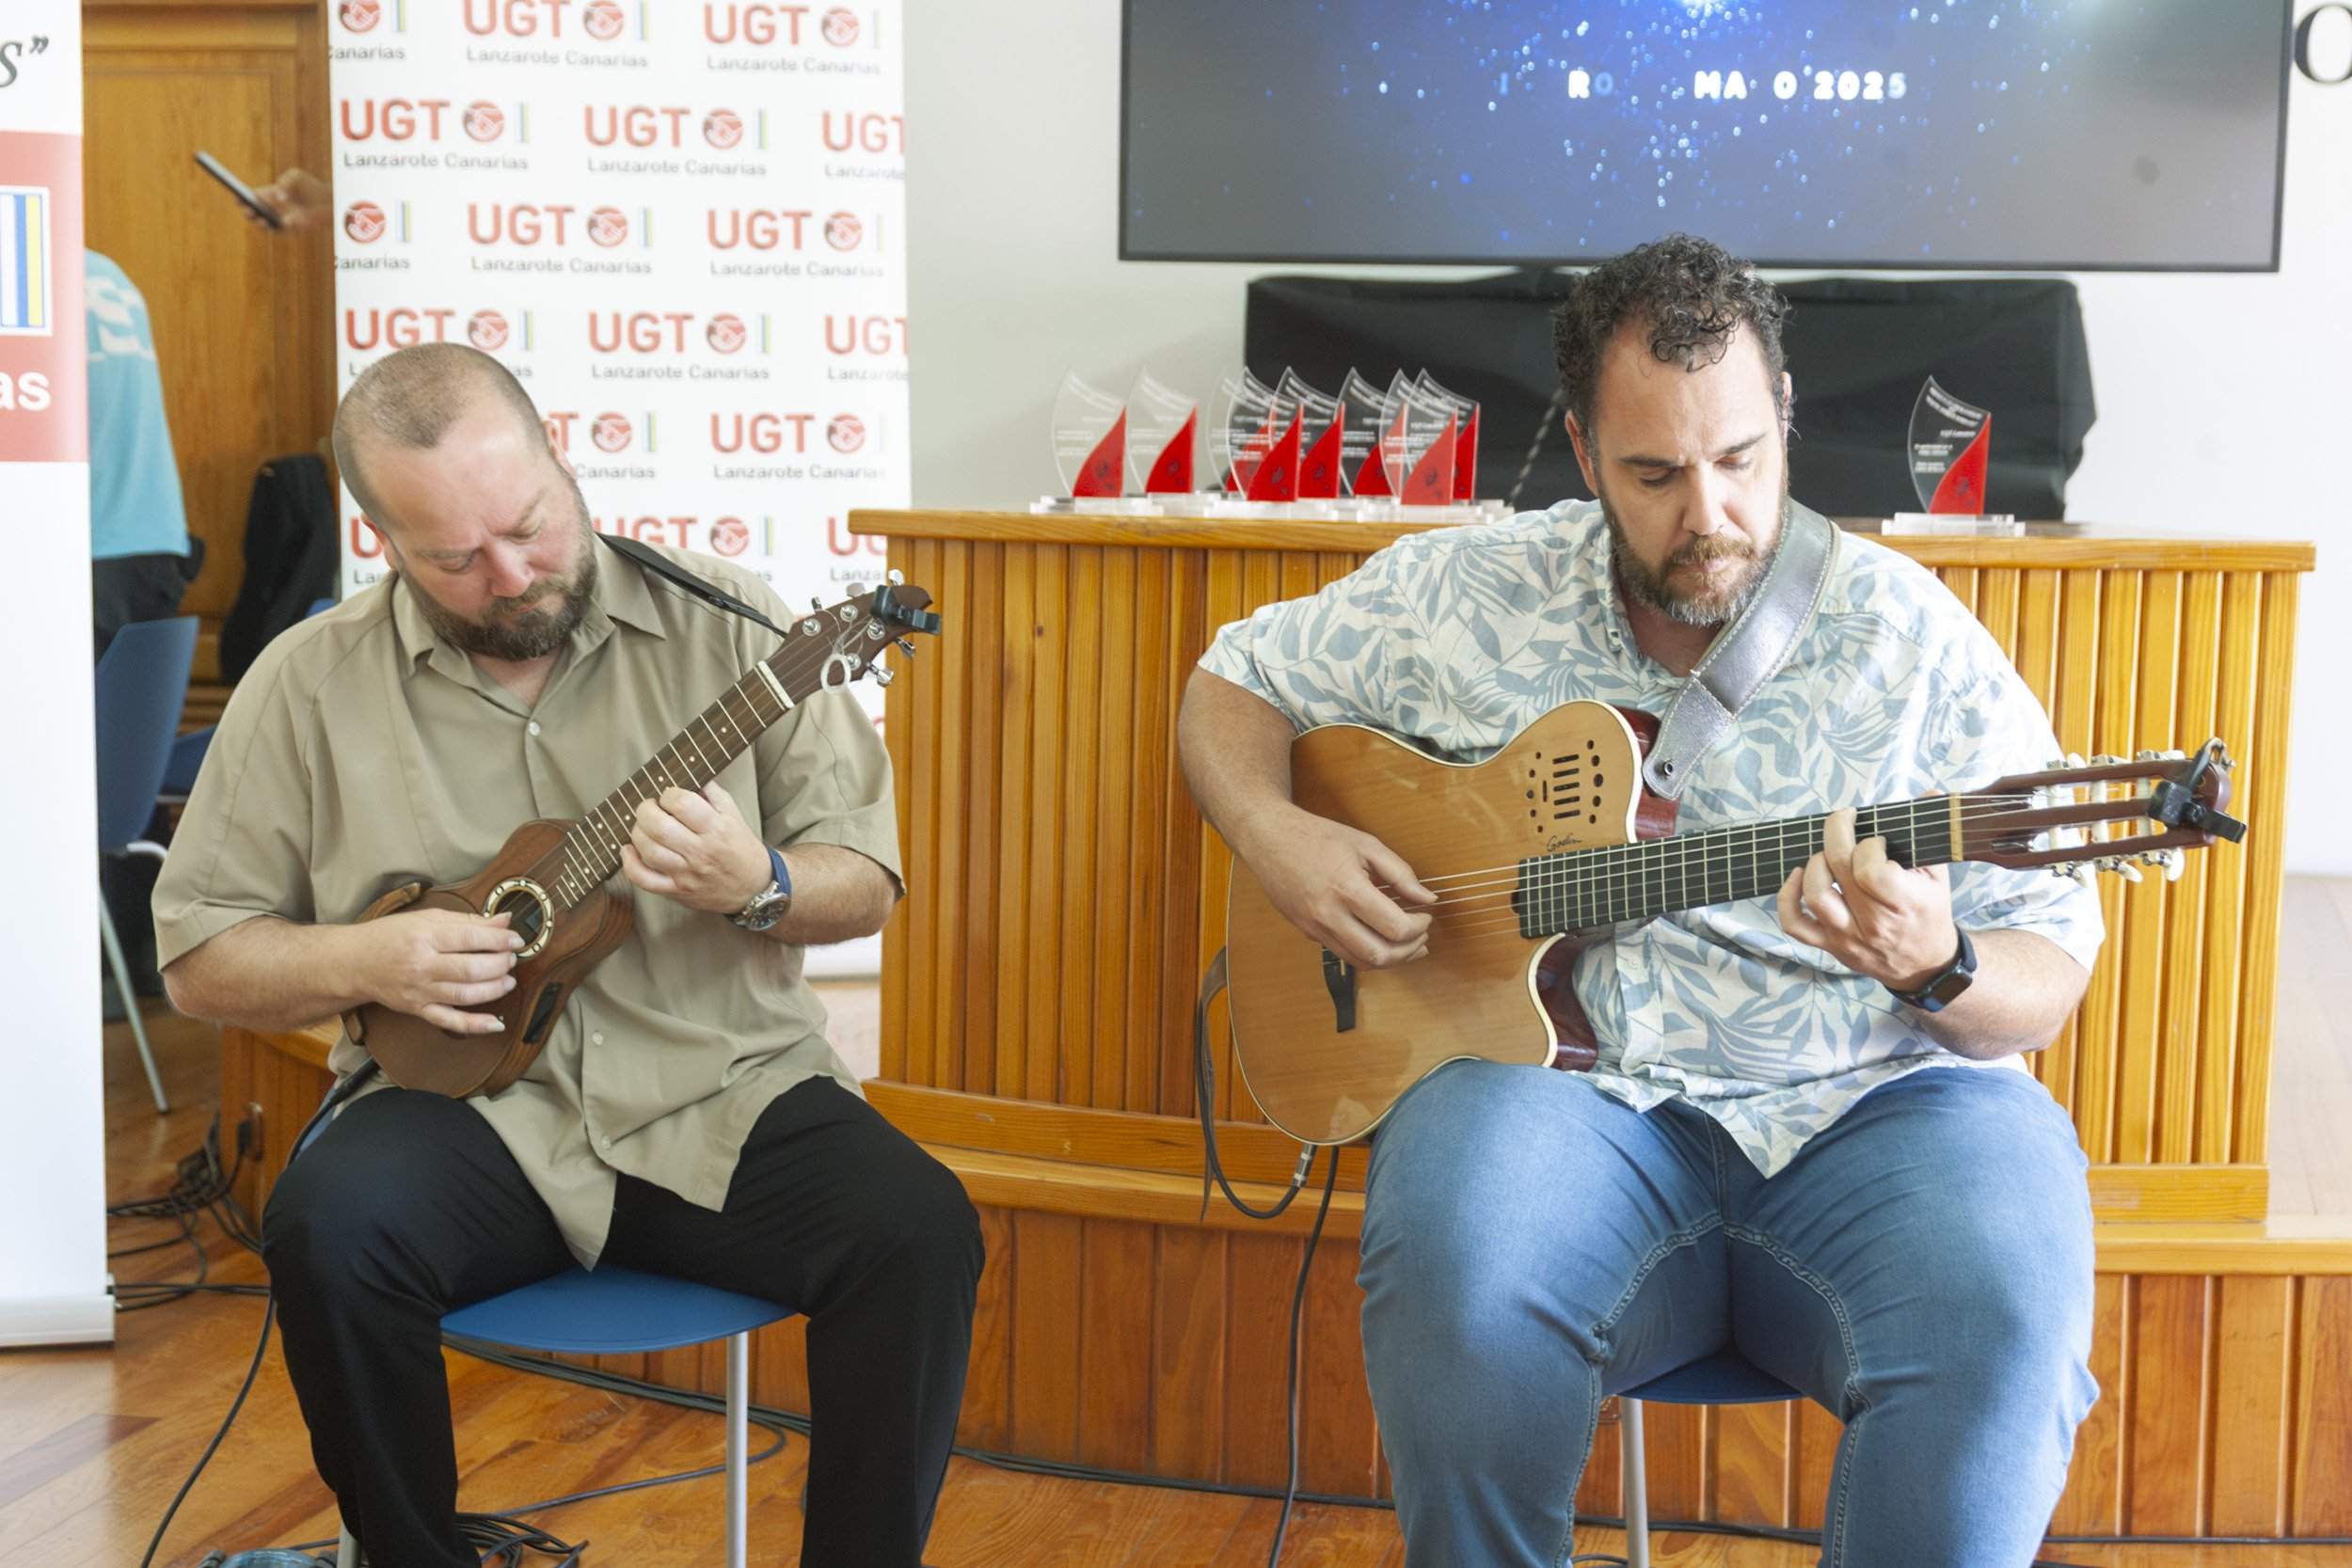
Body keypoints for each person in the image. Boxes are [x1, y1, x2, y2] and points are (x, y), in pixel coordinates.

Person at [1177, 234, 2104, 1568]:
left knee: (2009, 1311)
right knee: (1457, 1246)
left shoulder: (1911, 639)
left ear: (1782, 418)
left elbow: (2052, 964)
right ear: (1581, 443)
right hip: (1569, 1101)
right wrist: (1277, 836)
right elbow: (1234, 679)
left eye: (1739, 461)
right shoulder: (1474, 587)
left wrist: (1940, 959)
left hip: (1878, 1106)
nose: (1708, 514)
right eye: (1655, 473)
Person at [153, 342, 979, 1568]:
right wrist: (370, 958)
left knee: (921, 1228)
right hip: (461, 1115)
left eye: (530, 524)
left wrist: (759, 883)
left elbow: (865, 883)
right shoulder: (307, 682)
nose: (513, 572)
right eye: (456, 557)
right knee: (326, 1228)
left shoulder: (740, 628)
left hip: (724, 1096)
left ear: (559, 463)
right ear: (380, 539)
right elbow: (200, 959)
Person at [87, 249, 199, 1015]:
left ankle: (100, 965)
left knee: (78, 772)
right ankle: (130, 957)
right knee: (119, 764)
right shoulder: (106, 271)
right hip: (152, 541)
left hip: (81, 544)